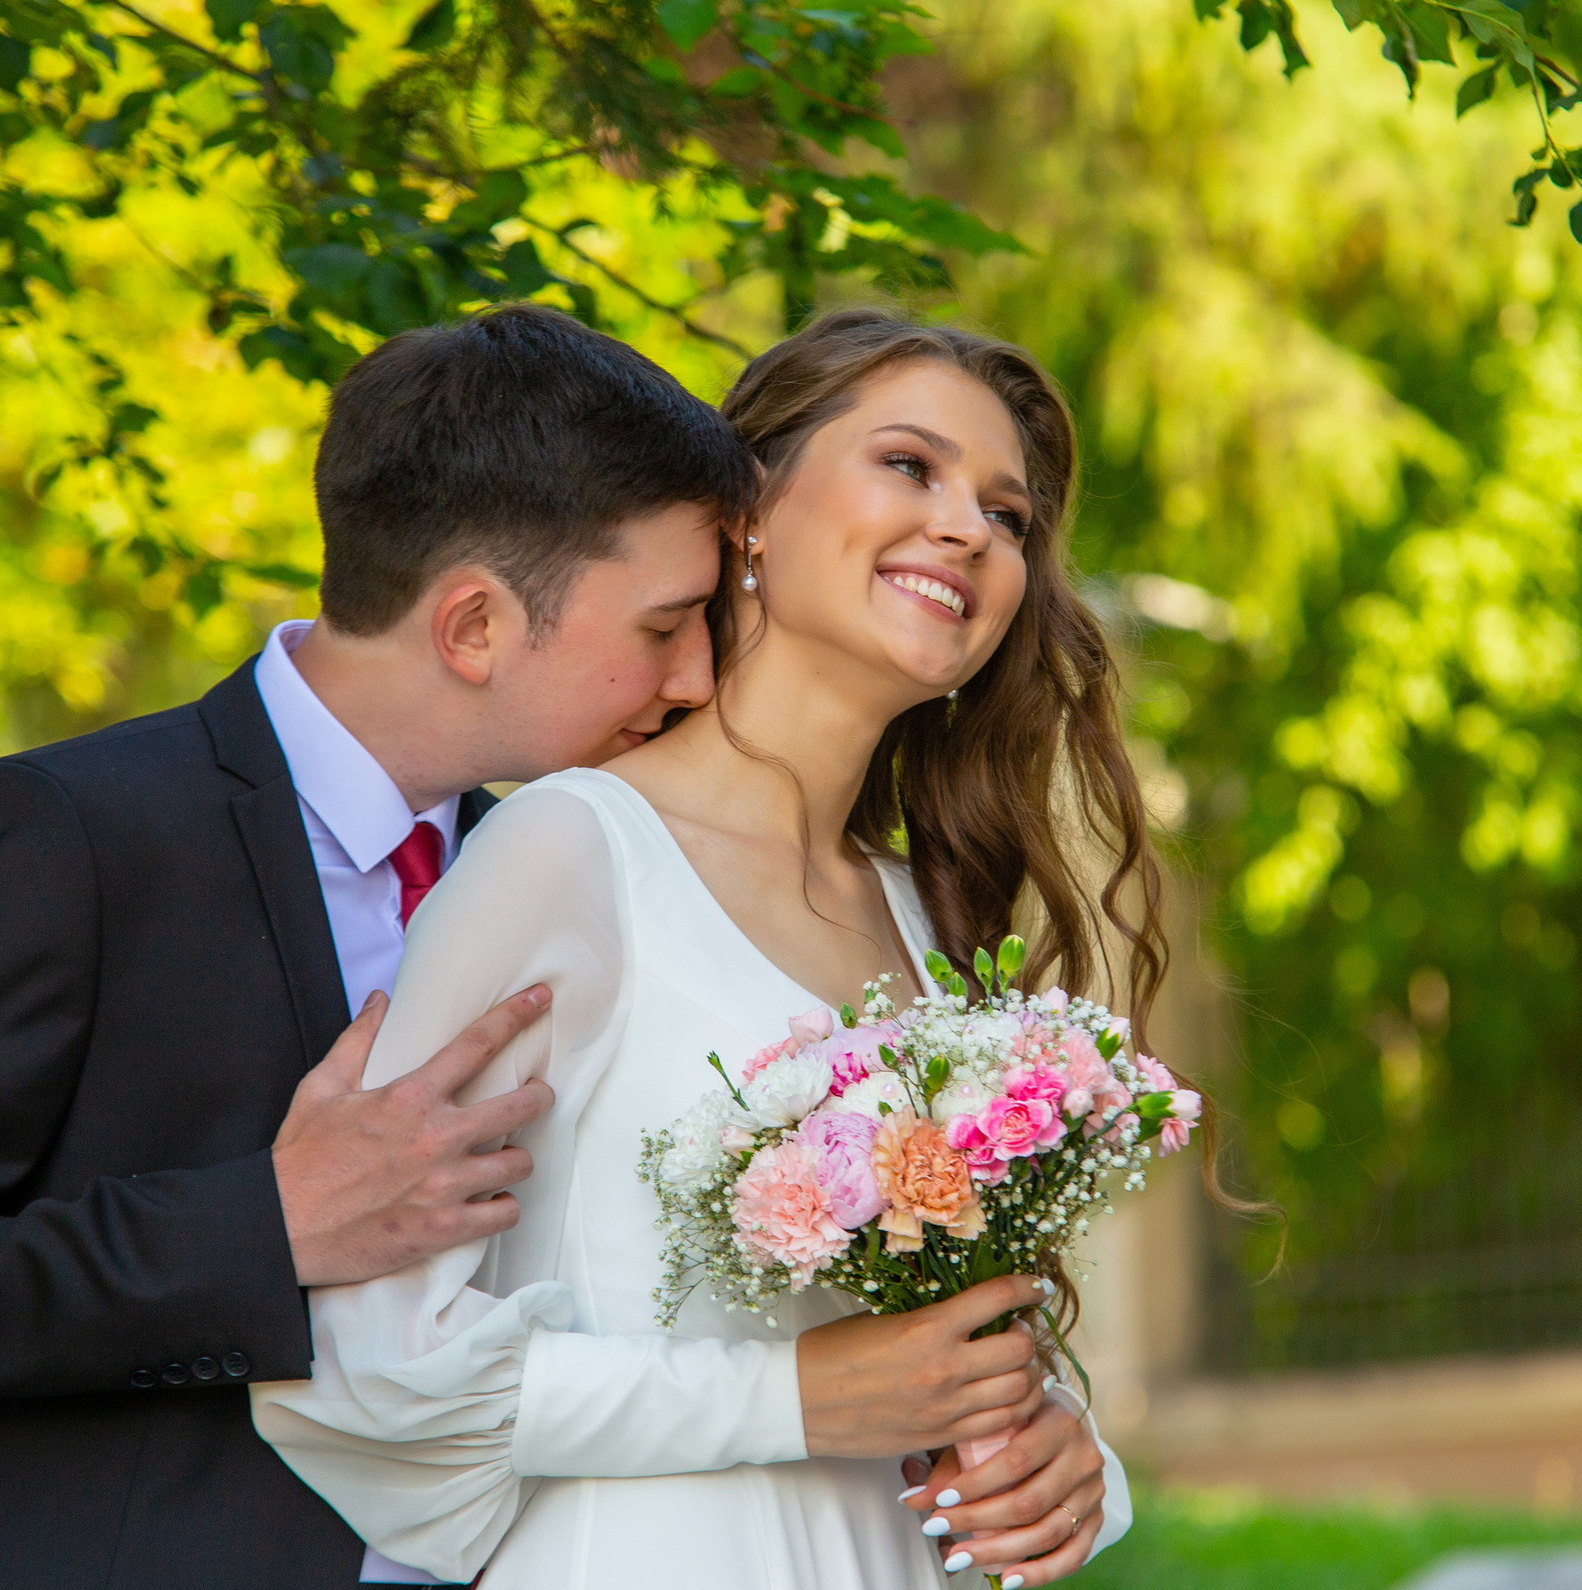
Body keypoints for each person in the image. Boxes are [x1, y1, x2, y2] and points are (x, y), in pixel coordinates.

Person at [0, 304, 1107, 1588]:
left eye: (1007, 509)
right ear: (476, 624)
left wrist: (1050, 1438)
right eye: (668, 627)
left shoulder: (581, 852)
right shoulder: (72, 837)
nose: (695, 674)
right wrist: (260, 1225)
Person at [254, 308, 1166, 1588]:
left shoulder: (923, 918)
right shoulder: (565, 854)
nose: (969, 526)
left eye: (1008, 516)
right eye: (910, 466)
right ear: (751, 513)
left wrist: (1068, 1455)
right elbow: (369, 1374)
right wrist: (785, 1402)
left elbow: (930, 1347)